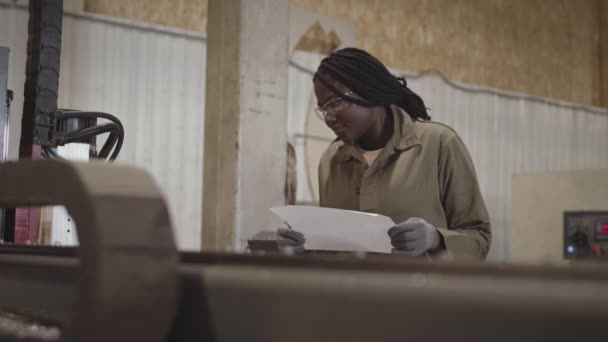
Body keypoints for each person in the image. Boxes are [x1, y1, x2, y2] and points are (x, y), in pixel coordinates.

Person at [278, 48, 491, 260]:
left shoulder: (439, 144)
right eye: (323, 108)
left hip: (421, 293)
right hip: (351, 294)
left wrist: (435, 240)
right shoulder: (331, 161)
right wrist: (305, 246)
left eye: (336, 102)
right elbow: (335, 249)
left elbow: (479, 239)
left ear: (368, 90)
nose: (329, 118)